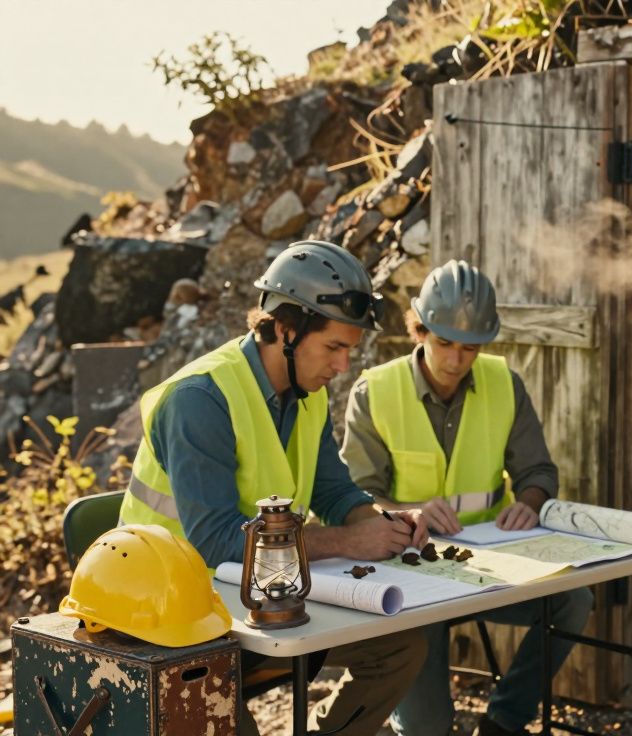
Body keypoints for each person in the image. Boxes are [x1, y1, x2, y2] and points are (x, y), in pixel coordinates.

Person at [119, 239, 431, 736]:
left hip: (255, 602)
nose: (343, 367)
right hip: (168, 618)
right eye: (334, 347)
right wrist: (348, 542)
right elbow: (216, 542)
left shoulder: (308, 391)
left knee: (400, 647)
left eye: (349, 350)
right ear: (285, 330)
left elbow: (334, 492)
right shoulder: (200, 400)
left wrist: (381, 524)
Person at [341, 259, 594, 736]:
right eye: (444, 343)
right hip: (410, 577)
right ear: (419, 330)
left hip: (486, 570)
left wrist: (529, 502)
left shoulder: (505, 384)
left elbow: (538, 472)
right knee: (428, 728)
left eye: (470, 348)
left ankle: (504, 720)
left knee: (574, 601)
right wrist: (405, 513)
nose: (456, 361)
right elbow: (354, 496)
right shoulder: (375, 391)